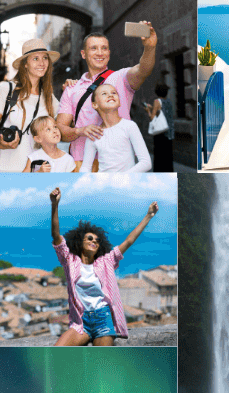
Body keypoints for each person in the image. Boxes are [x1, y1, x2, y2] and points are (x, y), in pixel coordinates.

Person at [48, 187, 158, 346]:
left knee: (102, 358)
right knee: (57, 351)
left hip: (103, 319)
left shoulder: (105, 262)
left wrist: (148, 216)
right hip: (81, 321)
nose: (94, 241)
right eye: (90, 238)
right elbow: (56, 236)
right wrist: (54, 205)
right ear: (80, 242)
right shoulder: (70, 261)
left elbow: (128, 241)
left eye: (97, 241)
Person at [57, 26, 160, 167]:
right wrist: (79, 131)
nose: (100, 53)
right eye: (93, 48)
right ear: (83, 54)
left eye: (104, 48)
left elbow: (143, 69)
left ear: (109, 53)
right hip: (80, 161)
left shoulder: (121, 77)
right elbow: (61, 130)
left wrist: (149, 48)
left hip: (117, 162)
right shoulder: (72, 89)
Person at [0, 39, 61, 172]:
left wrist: (72, 90)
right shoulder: (7, 89)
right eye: (35, 59)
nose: (42, 63)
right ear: (25, 64)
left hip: (36, 173)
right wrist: (1, 143)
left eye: (45, 58)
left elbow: (66, 123)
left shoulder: (49, 98)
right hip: (6, 170)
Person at [77, 84, 151, 172]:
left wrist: (122, 179)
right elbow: (85, 167)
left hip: (126, 183)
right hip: (103, 184)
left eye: (114, 93)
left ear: (119, 102)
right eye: (104, 93)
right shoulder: (94, 133)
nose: (110, 95)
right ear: (94, 105)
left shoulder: (129, 126)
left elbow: (146, 162)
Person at [146, 84, 174, 171]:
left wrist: (148, 111)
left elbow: (152, 118)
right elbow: (163, 113)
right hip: (169, 133)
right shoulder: (169, 101)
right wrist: (152, 108)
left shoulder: (157, 101)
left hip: (160, 134)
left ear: (157, 92)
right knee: (168, 157)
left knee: (159, 156)